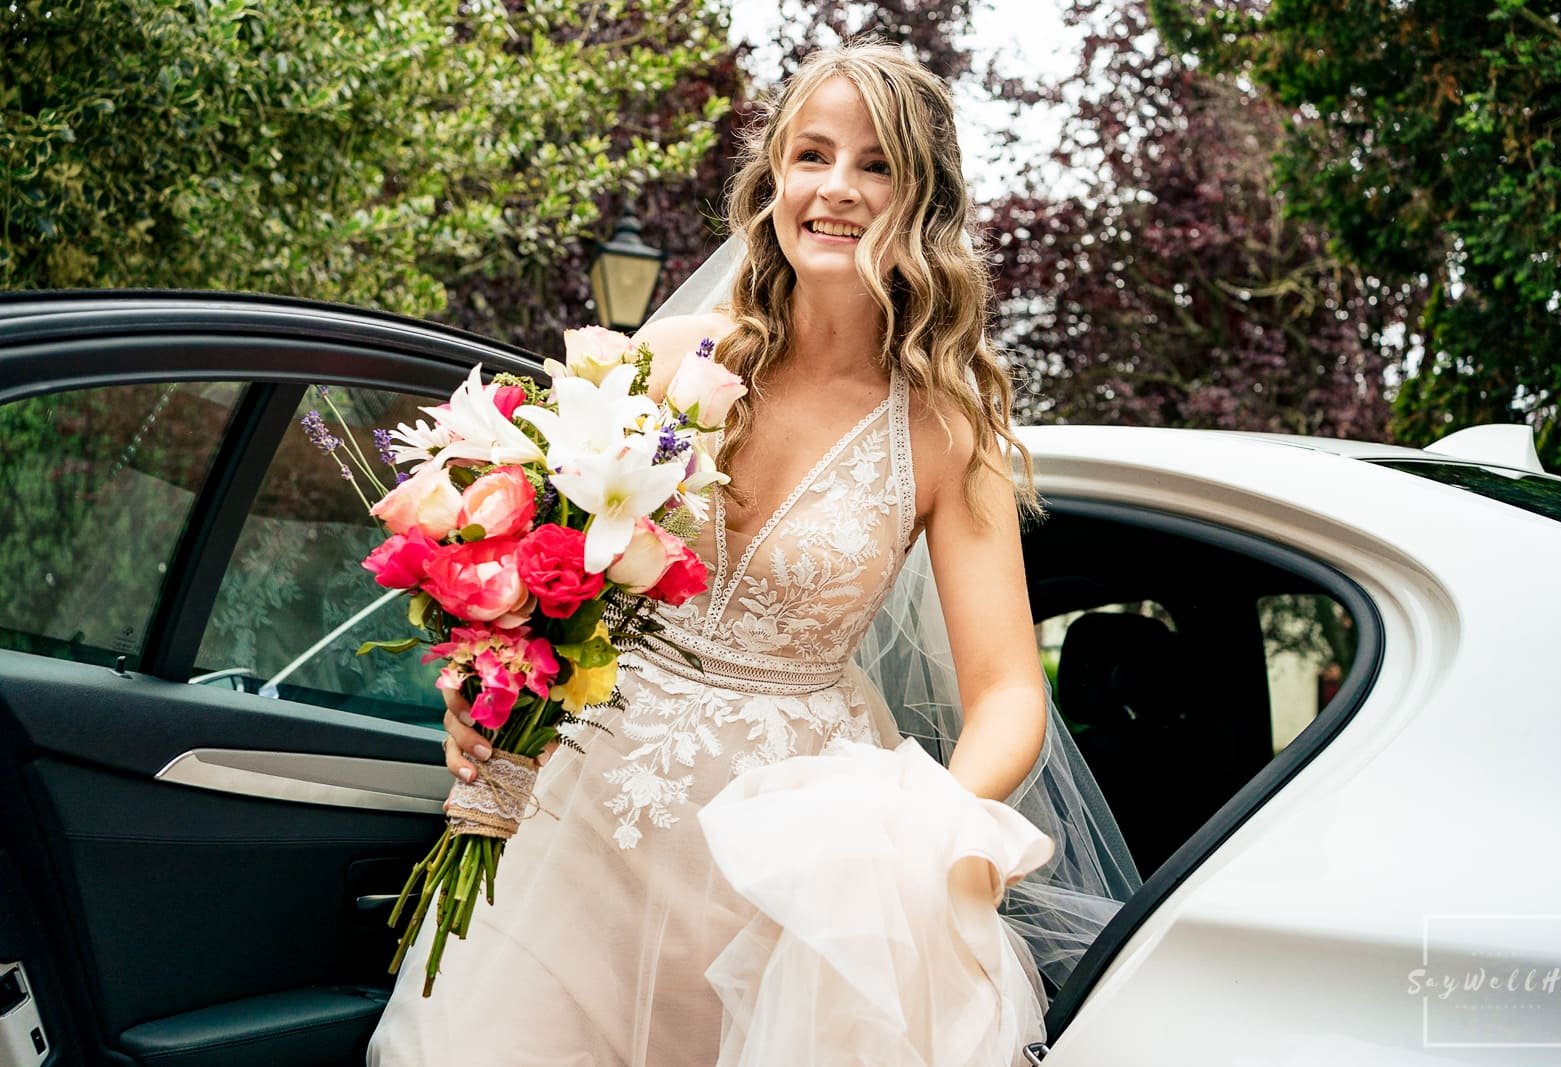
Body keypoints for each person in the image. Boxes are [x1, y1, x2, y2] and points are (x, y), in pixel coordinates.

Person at [370, 39, 1135, 1067]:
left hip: (789, 845)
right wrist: (483, 684)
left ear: (924, 200)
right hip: (583, 793)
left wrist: (921, 833)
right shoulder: (676, 355)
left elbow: (1005, 691)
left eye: (877, 165)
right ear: (772, 174)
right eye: (811, 154)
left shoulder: (950, 434)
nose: (837, 189)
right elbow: (547, 562)